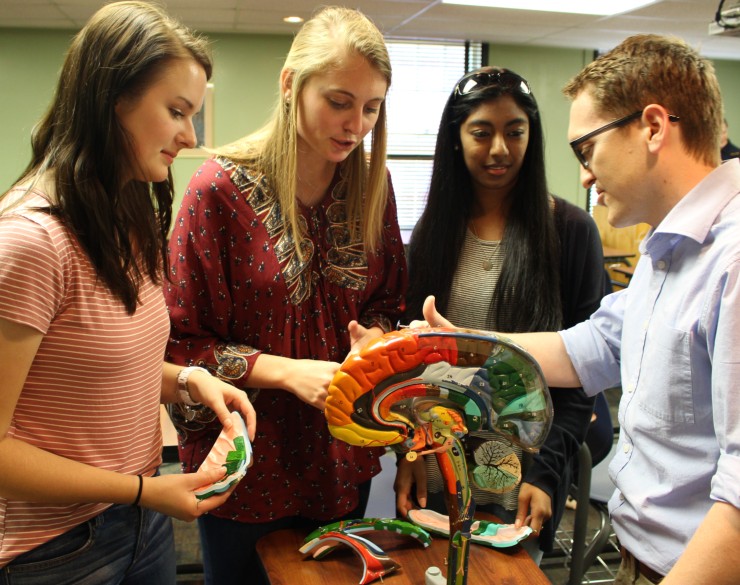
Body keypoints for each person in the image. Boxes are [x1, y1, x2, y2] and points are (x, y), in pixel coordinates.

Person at [417, 33, 740, 585]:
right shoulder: (671, 247)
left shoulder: (731, 259)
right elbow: (592, 345)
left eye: (586, 149)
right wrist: (450, 343)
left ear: (654, 128)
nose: (585, 174)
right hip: (646, 558)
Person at [0, 2, 257, 583]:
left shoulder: (127, 218)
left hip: (141, 524)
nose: (190, 135)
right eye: (176, 111)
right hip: (56, 549)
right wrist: (145, 490)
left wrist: (192, 380)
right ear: (113, 98)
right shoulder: (30, 241)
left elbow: (97, 369)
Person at [164, 6, 406, 584]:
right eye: (339, 101)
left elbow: (386, 303)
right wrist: (286, 372)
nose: (355, 125)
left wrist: (374, 338)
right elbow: (179, 347)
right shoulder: (217, 190)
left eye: (371, 108)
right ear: (290, 85)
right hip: (247, 460)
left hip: (339, 457)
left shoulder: (372, 185)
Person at [398, 66, 609, 562]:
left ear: (531, 137)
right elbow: (411, 361)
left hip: (526, 470)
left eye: (515, 132)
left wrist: (547, 473)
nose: (499, 149)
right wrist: (404, 451)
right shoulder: (432, 233)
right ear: (456, 139)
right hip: (437, 465)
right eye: (481, 132)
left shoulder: (570, 232)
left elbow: (582, 373)